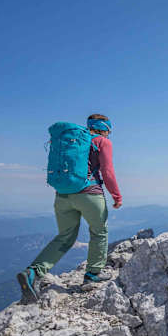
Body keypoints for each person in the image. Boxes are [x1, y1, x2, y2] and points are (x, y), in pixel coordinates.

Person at [17, 114, 122, 304]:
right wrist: (116, 195)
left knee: (65, 236)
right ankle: (92, 274)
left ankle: (33, 272)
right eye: (109, 131)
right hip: (90, 194)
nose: (109, 134)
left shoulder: (75, 141)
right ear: (105, 129)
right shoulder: (102, 141)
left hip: (63, 195)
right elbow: (107, 171)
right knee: (99, 232)